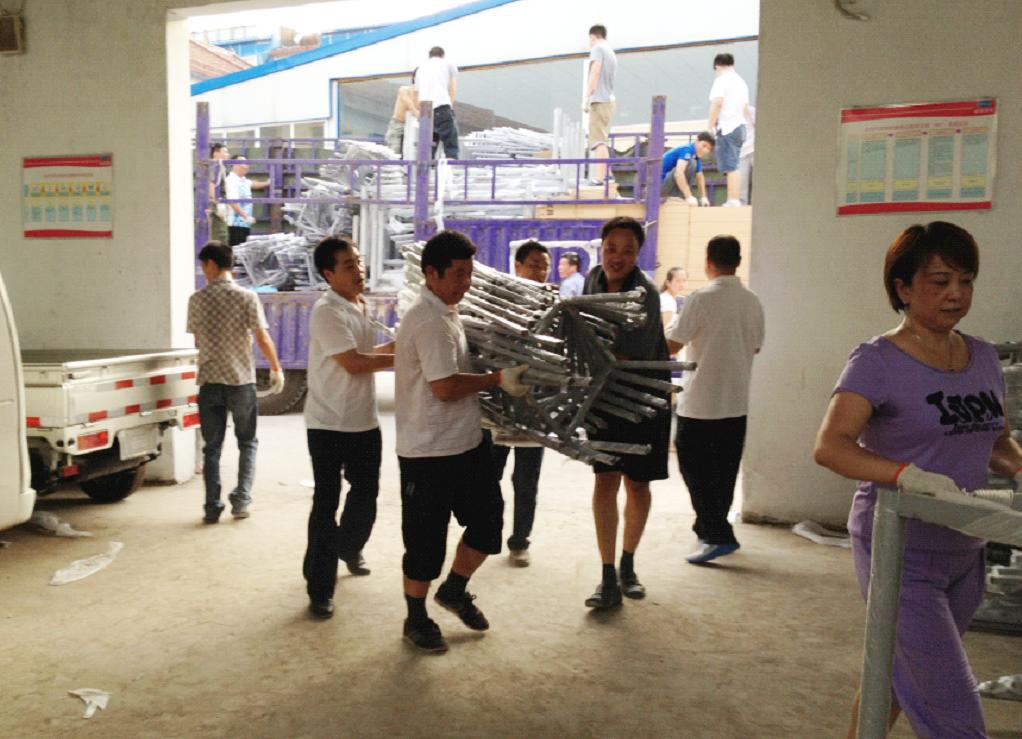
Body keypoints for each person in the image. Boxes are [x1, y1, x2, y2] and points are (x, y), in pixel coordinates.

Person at [813, 222, 1022, 738]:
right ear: (903, 288)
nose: (956, 294)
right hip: (899, 548)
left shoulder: (983, 357)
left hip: (966, 547)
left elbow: (998, 444)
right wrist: (905, 475)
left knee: (896, 675)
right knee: (953, 711)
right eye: (940, 281)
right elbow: (831, 445)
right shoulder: (877, 361)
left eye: (966, 281)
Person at [395, 230, 529, 652]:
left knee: (488, 526)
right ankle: (416, 617)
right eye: (457, 274)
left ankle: (454, 589)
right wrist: (496, 379)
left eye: (469, 274)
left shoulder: (448, 312)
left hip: (467, 444)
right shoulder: (428, 320)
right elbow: (445, 387)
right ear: (430, 273)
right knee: (425, 544)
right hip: (428, 452)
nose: (465, 283)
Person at [302, 237, 396, 620]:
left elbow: (368, 355)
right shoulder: (327, 311)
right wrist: (406, 357)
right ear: (328, 274)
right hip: (328, 424)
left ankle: (348, 546)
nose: (359, 270)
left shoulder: (360, 305)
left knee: (366, 495)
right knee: (326, 504)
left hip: (364, 421)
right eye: (348, 265)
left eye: (359, 262)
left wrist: (402, 345)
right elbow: (354, 364)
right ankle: (320, 587)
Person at [583, 216, 672, 609]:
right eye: (611, 249)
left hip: (643, 398)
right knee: (605, 481)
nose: (617, 257)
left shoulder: (645, 293)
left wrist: (584, 350)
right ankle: (606, 576)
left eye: (627, 250)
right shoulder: (592, 280)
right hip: (604, 399)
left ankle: (627, 565)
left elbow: (624, 354)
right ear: (602, 248)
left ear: (638, 255)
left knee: (637, 484)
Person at [666, 235, 764, 563]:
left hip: (701, 402)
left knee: (693, 468)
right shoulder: (752, 301)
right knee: (723, 473)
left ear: (708, 262)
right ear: (738, 262)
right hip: (736, 401)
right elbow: (756, 347)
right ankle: (708, 528)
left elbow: (672, 345)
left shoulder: (700, 299)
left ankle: (718, 534)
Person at [187, 242, 284, 524]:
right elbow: (262, 337)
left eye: (204, 266)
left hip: (209, 381)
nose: (203, 271)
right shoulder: (247, 297)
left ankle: (211, 507)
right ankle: (241, 501)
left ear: (211, 264)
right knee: (247, 443)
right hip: (240, 380)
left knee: (212, 448)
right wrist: (276, 367)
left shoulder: (197, 299)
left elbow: (198, 340)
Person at [491, 241, 552, 567]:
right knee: (490, 475)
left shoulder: (553, 304)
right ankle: (485, 534)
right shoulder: (500, 302)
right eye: (533, 265)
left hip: (535, 405)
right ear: (517, 266)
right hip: (499, 403)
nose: (540, 272)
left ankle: (519, 542)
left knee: (527, 481)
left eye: (544, 266)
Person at [706, 53, 751, 208]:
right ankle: (734, 199)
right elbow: (745, 107)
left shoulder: (721, 80)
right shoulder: (741, 82)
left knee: (730, 166)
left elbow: (717, 103)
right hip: (740, 126)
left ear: (717, 66)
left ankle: (733, 199)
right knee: (735, 163)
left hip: (728, 127)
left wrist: (710, 125)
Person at [584, 24, 617, 185]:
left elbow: (595, 71)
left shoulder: (597, 49)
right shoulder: (610, 52)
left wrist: (587, 95)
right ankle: (608, 174)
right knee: (602, 138)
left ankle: (599, 178)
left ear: (592, 37)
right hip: (609, 100)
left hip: (599, 100)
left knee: (598, 141)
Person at [415, 46, 459, 160]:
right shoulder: (447, 64)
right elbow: (453, 87)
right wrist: (451, 107)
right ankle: (450, 169)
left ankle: (427, 170)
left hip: (425, 109)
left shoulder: (420, 68)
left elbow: (417, 92)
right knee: (450, 145)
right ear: (443, 55)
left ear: (429, 56)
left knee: (428, 149)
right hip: (441, 105)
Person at [224, 155, 269, 246]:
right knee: (237, 249)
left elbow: (253, 184)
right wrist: (245, 216)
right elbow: (233, 201)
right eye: (243, 163)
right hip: (235, 224)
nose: (246, 166)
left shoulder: (243, 180)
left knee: (242, 249)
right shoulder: (231, 180)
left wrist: (267, 183)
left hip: (244, 223)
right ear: (234, 164)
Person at [660, 132, 714, 206]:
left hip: (667, 185)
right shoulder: (687, 150)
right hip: (658, 187)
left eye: (708, 149)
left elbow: (700, 177)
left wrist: (703, 197)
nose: (705, 150)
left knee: (693, 163)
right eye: (704, 145)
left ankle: (677, 198)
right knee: (691, 163)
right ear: (697, 141)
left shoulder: (696, 157)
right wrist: (688, 196)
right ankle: (677, 197)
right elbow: (679, 172)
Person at [384, 72, 420, 156]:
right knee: (394, 152)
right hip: (398, 123)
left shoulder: (423, 96)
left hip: (413, 126)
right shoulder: (404, 89)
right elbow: (408, 103)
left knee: (412, 152)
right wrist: (415, 111)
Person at [208, 143, 231, 244]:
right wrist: (215, 202)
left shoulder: (219, 166)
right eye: (224, 152)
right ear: (216, 153)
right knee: (220, 234)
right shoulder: (215, 166)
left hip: (218, 203)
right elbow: (211, 184)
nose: (227, 154)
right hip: (216, 205)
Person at [738, 105, 755, 205]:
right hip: (740, 154)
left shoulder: (751, 110)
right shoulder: (730, 114)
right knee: (741, 187)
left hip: (753, 149)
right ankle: (741, 209)